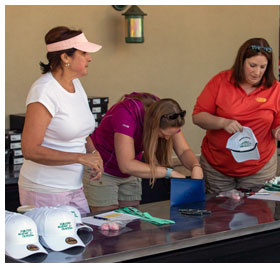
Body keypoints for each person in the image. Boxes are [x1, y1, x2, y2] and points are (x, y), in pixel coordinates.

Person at [19, 26, 104, 215]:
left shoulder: (76, 84)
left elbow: (81, 132)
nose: (89, 57)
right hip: (44, 189)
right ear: (65, 57)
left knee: (83, 240)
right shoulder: (44, 90)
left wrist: (93, 153)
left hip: (73, 187)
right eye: (83, 53)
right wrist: (80, 157)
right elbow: (30, 149)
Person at [192, 38, 280, 194]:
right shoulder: (220, 81)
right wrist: (222, 122)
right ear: (241, 62)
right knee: (219, 215)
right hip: (218, 167)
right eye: (252, 65)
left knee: (258, 215)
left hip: (259, 168)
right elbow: (198, 116)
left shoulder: (277, 90)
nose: (257, 72)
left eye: (262, 67)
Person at [83, 93, 203, 212]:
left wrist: (195, 166)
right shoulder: (126, 113)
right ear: (153, 126)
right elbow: (126, 165)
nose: (166, 139)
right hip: (104, 169)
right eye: (163, 135)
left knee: (131, 220)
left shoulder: (167, 114)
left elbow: (183, 150)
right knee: (108, 222)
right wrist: (169, 172)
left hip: (132, 171)